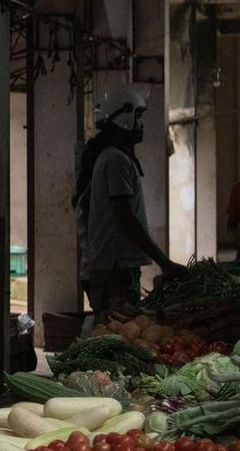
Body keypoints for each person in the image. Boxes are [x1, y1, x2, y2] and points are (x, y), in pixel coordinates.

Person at [75, 86, 184, 316]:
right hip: (116, 268)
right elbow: (124, 216)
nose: (141, 124)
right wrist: (163, 262)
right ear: (125, 118)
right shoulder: (117, 160)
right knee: (120, 329)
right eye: (139, 117)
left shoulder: (110, 155)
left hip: (114, 265)